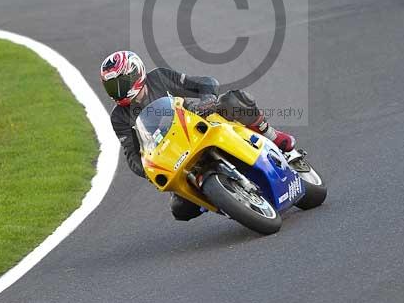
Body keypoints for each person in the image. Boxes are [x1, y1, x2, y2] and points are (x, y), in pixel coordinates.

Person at [99, 50, 296, 221]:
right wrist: (147, 170)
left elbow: (205, 83)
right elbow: (131, 154)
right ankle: (223, 199)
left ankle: (271, 135)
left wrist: (208, 100)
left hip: (197, 120)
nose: (117, 91)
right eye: (111, 87)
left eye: (121, 83)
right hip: (173, 153)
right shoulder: (119, 117)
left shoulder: (158, 77)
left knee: (234, 100)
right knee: (180, 210)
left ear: (135, 73)